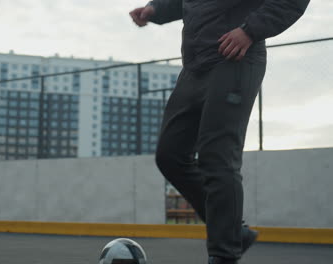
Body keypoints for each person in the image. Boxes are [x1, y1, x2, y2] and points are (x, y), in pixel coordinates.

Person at [129, 1, 310, 263]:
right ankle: (234, 230)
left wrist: (250, 31)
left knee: (217, 156)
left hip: (235, 57)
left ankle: (224, 254)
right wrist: (155, 10)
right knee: (170, 155)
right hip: (195, 64)